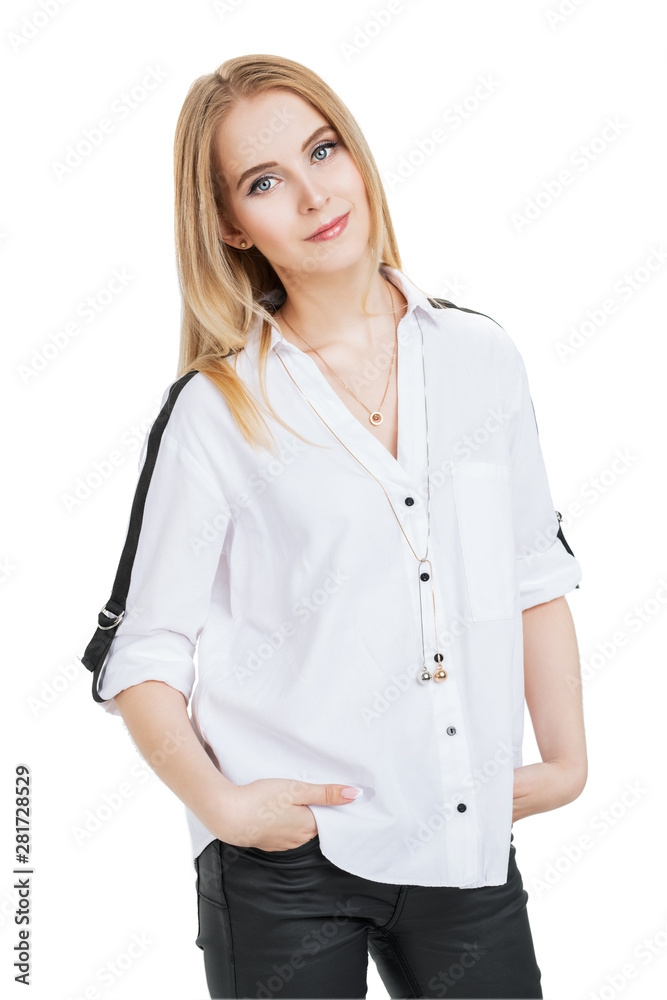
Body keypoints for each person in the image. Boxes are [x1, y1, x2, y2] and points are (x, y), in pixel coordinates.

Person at [80, 53, 587, 999]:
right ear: (230, 225)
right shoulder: (217, 410)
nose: (314, 195)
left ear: (356, 154)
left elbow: (531, 576)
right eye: (264, 181)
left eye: (323, 151)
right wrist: (226, 808)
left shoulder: (481, 358)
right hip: (288, 865)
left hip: (460, 839)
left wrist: (565, 764)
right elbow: (143, 652)